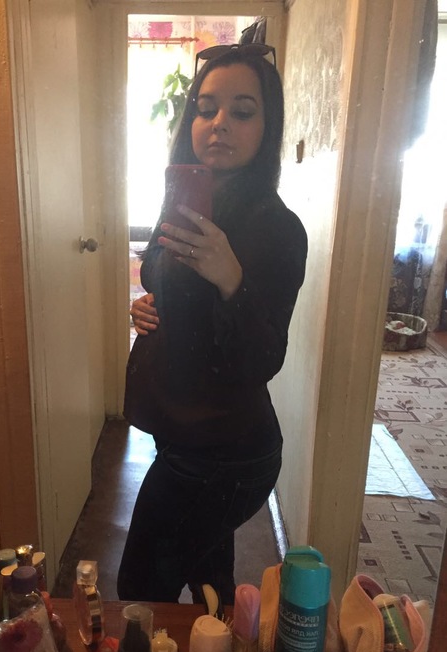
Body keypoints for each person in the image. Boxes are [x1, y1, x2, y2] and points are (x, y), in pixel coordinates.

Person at [118, 41, 307, 605]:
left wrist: (231, 278)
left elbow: (264, 358)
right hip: (183, 433)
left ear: (267, 127)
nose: (219, 123)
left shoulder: (277, 228)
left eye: (242, 111)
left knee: (139, 591)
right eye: (206, 108)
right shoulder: (186, 198)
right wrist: (150, 304)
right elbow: (160, 273)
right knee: (210, 586)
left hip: (224, 453)